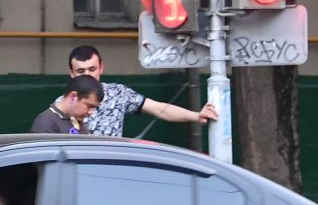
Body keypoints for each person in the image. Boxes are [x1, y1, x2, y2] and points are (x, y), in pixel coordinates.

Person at [61, 44, 219, 137]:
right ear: (71, 72)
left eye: (92, 69)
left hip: (111, 170)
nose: (88, 75)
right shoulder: (62, 105)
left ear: (101, 68)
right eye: (81, 71)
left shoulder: (118, 94)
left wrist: (197, 115)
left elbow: (159, 109)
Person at [32, 76, 102, 134]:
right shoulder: (45, 122)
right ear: (73, 96)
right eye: (89, 106)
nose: (91, 112)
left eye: (94, 108)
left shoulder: (78, 122)